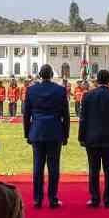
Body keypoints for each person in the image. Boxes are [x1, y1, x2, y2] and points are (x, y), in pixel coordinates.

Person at [23, 64, 69, 209]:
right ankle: (53, 198)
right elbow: (66, 116)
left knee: (38, 166)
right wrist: (65, 134)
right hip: (55, 131)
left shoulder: (31, 90)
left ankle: (37, 199)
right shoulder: (60, 90)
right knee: (54, 167)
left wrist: (27, 133)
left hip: (37, 131)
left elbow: (26, 115)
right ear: (51, 75)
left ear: (40, 75)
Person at [78, 70, 109, 208]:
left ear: (97, 80)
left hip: (91, 138)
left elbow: (83, 119)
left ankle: (94, 198)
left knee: (93, 170)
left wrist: (81, 137)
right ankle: (108, 199)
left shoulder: (88, 96)